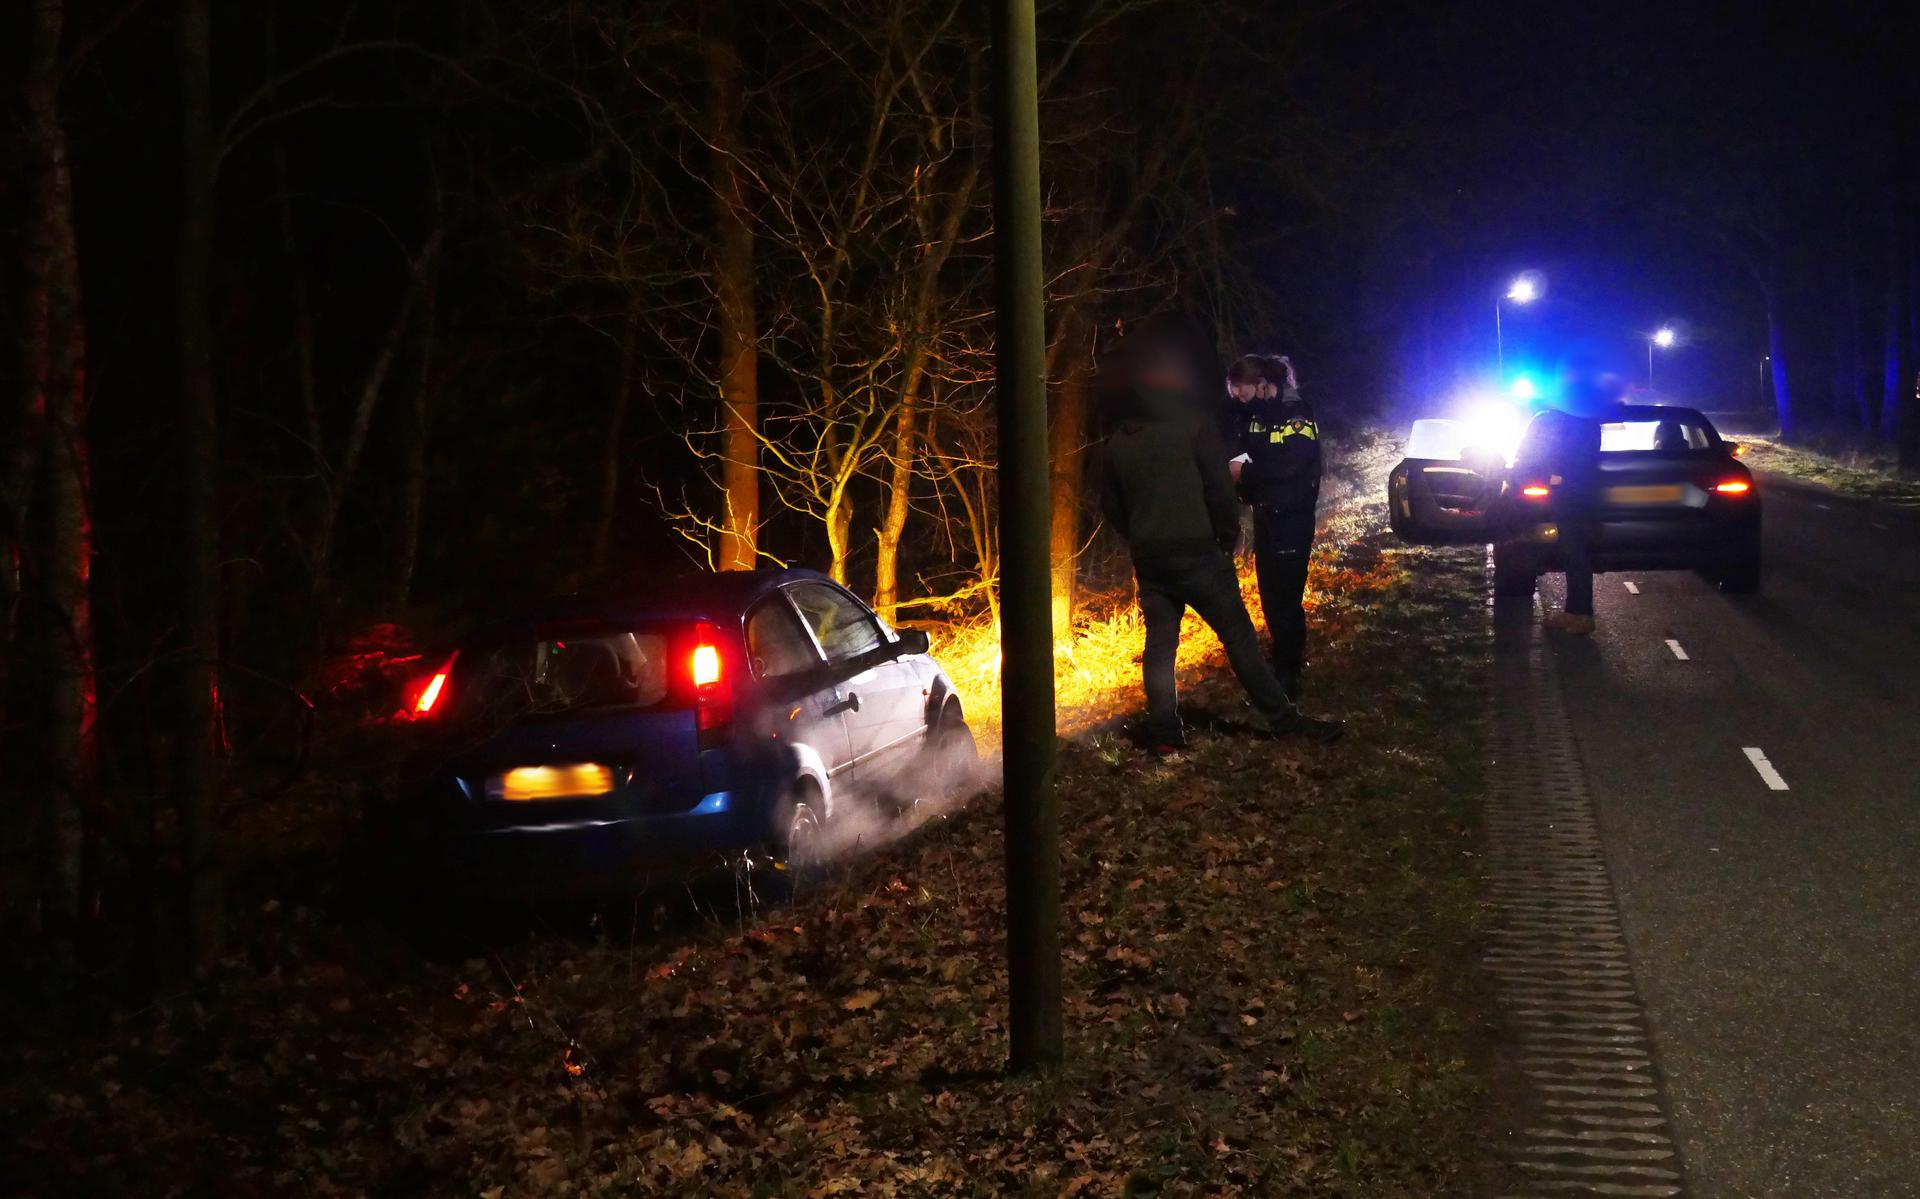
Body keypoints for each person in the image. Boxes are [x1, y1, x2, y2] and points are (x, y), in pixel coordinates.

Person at [1100, 325, 1342, 750]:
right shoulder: (1193, 427)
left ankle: (1164, 731)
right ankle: (1283, 717)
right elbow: (1219, 490)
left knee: (1159, 644)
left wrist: (1139, 537)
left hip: (1151, 558)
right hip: (1198, 552)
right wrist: (1224, 540)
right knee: (1239, 637)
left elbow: (1111, 504)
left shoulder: (1119, 441)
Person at [1225, 353, 1320, 699]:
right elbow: (1251, 453)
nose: (1235, 394)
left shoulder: (1295, 413)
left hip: (1292, 518)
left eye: (1240, 388)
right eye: (1232, 388)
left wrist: (1246, 474)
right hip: (1267, 515)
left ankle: (1288, 673)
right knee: (1269, 595)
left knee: (1286, 598)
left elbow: (1294, 466)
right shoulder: (1254, 415)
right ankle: (1281, 663)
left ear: (1262, 385)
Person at [1516, 359, 1625, 635]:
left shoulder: (1578, 420)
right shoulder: (1582, 417)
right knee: (1571, 550)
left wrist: (1557, 476)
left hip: (1573, 493)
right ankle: (1574, 611)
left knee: (1575, 552)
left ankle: (1581, 615)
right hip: (1575, 490)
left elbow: (1576, 457)